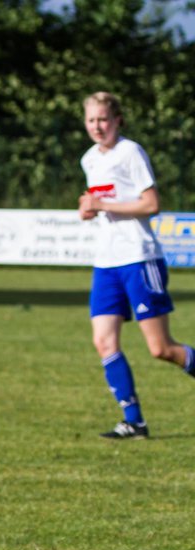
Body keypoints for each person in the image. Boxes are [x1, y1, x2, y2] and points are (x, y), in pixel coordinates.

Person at [78, 91, 195, 438]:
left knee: (161, 349)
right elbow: (100, 204)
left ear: (117, 121)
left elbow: (151, 204)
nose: (97, 127)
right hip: (106, 263)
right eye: (91, 120)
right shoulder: (89, 159)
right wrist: (89, 209)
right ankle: (134, 422)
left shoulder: (130, 152)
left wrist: (103, 205)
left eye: (103, 119)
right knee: (104, 343)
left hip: (139, 258)